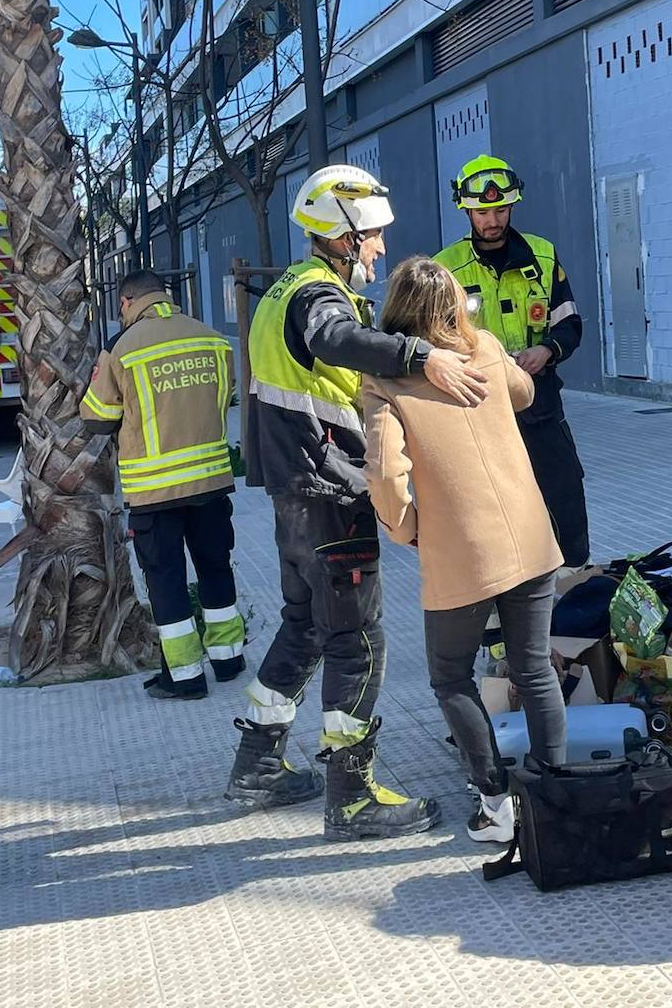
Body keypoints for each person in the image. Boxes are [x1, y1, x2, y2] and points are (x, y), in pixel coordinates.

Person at [225, 165, 489, 842]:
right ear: (341, 233)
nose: (375, 248)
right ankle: (351, 798)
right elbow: (330, 339)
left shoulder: (286, 287)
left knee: (305, 629)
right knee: (360, 642)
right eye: (370, 235)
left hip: (294, 494)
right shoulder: (317, 296)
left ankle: (257, 769)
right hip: (326, 494)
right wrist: (419, 355)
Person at [363, 257, 565, 844]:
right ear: (455, 304)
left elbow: (382, 469)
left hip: (459, 548)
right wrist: (490, 355)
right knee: (532, 667)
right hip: (529, 535)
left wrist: (406, 528)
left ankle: (497, 805)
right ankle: (551, 795)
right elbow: (525, 393)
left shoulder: (382, 380)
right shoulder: (484, 348)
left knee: (451, 676)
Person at [79, 269, 244, 700]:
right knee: (215, 567)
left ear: (126, 301)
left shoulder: (121, 349)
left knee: (167, 580)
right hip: (210, 482)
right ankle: (229, 659)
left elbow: (96, 417)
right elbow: (226, 398)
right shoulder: (210, 338)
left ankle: (186, 676)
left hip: (155, 492)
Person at [435, 155, 589, 567]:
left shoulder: (542, 256)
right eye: (483, 211)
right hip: (479, 410)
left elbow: (570, 325)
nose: (492, 220)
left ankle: (572, 587)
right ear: (466, 210)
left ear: (513, 206)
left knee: (564, 495)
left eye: (500, 209)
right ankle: (503, 608)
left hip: (540, 406)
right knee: (493, 511)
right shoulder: (445, 268)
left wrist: (548, 350)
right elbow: (431, 344)